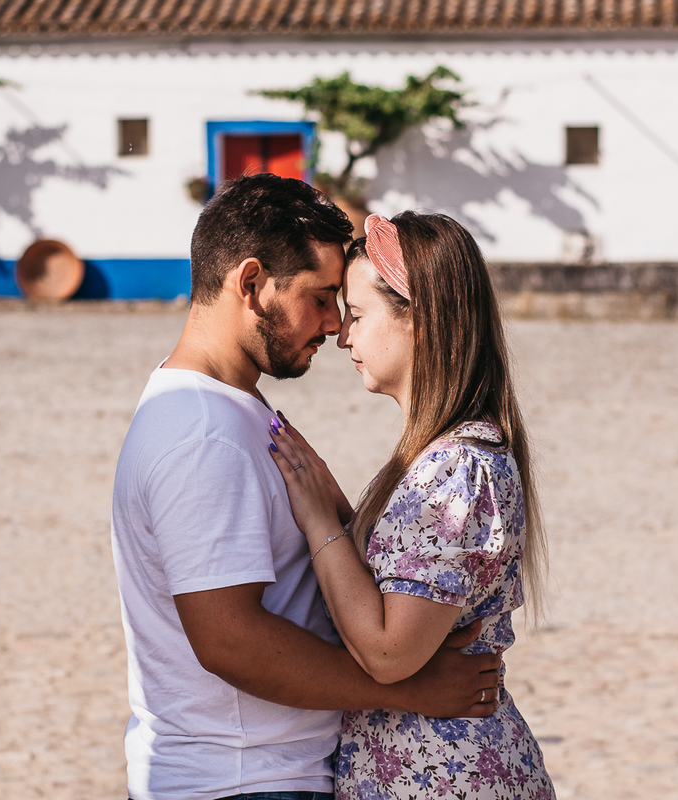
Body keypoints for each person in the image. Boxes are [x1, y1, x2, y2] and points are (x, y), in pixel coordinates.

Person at [109, 176, 503, 800]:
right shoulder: (202, 432)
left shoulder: (229, 407)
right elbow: (229, 640)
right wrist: (407, 688)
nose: (331, 325)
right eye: (320, 298)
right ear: (250, 284)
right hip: (242, 780)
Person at [267, 211, 556, 799]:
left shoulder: (458, 468)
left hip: (445, 778)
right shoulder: (439, 456)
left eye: (357, 314)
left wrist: (322, 524)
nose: (343, 336)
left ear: (418, 319)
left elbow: (388, 650)